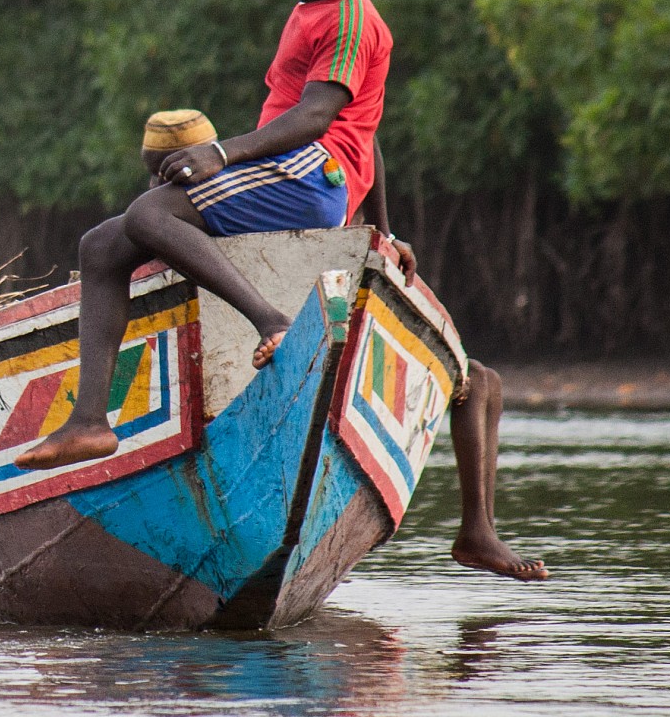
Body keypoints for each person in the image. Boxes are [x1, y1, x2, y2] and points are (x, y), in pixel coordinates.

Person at [21, 0, 409, 470]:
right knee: (101, 247)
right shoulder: (311, 12)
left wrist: (222, 153)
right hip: (297, 172)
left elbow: (316, 118)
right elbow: (370, 132)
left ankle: (272, 322)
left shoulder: (352, 17)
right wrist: (382, 229)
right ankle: (89, 423)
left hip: (311, 175)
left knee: (151, 215)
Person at [135, 111, 544, 580]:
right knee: (477, 377)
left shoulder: (224, 198)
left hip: (312, 323)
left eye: (167, 173)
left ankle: (477, 529)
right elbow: (366, 145)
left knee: (480, 380)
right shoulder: (186, 214)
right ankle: (476, 529)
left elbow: (365, 146)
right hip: (286, 335)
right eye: (158, 176)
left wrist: (384, 234)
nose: (160, 185)